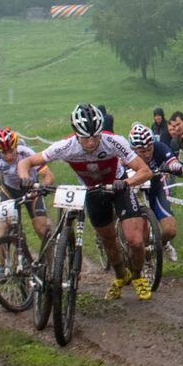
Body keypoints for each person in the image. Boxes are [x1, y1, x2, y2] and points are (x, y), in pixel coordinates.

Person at [18, 104, 154, 300]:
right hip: (92, 192)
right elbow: (26, 162)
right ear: (75, 134)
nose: (91, 142)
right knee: (108, 240)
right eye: (85, 137)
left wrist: (125, 182)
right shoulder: (65, 147)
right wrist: (25, 178)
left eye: (95, 136)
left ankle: (137, 276)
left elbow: (144, 171)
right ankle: (120, 276)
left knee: (135, 240)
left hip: (117, 187)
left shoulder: (114, 142)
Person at [0, 129, 52, 246]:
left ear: (16, 146)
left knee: (41, 229)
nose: (8, 156)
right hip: (9, 191)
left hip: (31, 191)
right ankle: (3, 264)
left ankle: (52, 261)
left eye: (11, 151)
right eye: (4, 153)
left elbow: (48, 175)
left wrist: (43, 188)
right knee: (3, 233)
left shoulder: (27, 153)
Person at [129, 122, 183, 263]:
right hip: (135, 194)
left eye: (149, 149)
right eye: (142, 151)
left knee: (170, 231)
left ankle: (162, 244)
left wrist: (176, 167)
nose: (147, 154)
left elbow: (178, 168)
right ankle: (145, 261)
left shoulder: (159, 147)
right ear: (133, 149)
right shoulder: (126, 154)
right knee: (143, 237)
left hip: (156, 190)